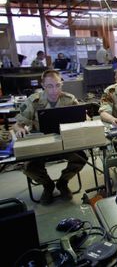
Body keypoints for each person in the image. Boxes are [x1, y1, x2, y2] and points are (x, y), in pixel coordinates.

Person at [12, 69, 87, 204]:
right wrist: (19, 130)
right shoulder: (34, 101)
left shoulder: (69, 99)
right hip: (41, 144)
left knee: (81, 158)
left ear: (61, 83)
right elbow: (17, 124)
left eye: (57, 85)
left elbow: (84, 118)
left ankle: (62, 183)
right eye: (50, 86)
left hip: (65, 142)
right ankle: (48, 185)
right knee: (29, 167)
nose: (54, 90)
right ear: (43, 85)